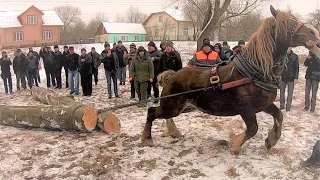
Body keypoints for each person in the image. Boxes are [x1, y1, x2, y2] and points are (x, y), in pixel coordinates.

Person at [280, 47, 299, 111]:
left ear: (291, 48)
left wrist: (296, 77)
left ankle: (288, 107)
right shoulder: (282, 55)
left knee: (290, 94)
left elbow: (297, 68)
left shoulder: (295, 56)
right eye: (287, 47)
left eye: (289, 47)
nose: (288, 48)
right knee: (282, 92)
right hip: (283, 77)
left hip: (291, 78)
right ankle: (282, 106)